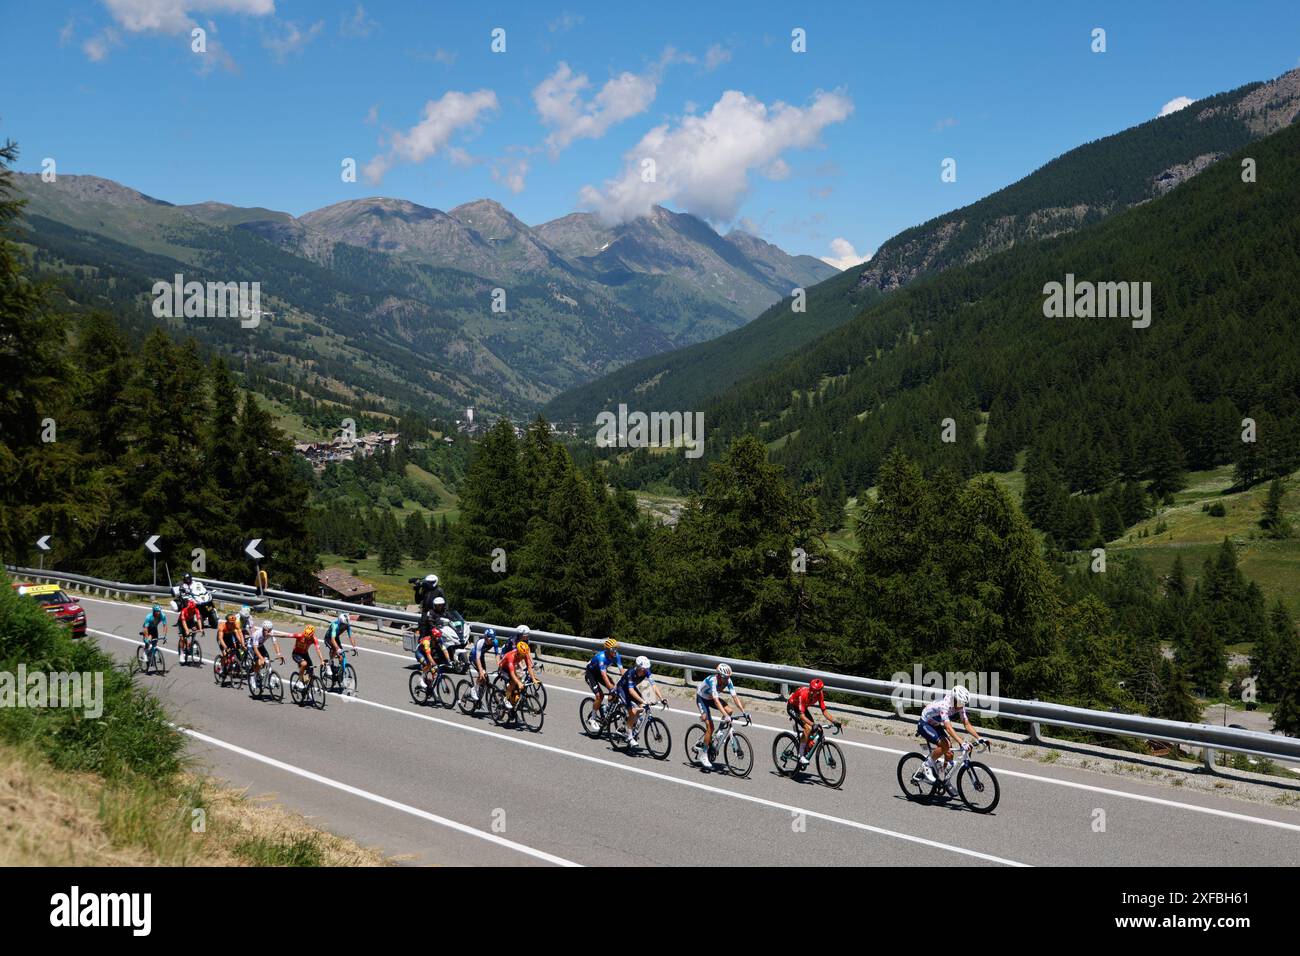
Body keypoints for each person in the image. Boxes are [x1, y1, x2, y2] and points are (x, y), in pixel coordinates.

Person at [918, 685, 981, 793]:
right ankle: (927, 765)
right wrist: (961, 742)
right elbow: (948, 727)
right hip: (924, 723)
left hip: (935, 724)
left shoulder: (959, 705)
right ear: (953, 698)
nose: (961, 706)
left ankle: (946, 781)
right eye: (959, 703)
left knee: (950, 754)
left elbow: (966, 724)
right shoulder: (945, 705)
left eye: (963, 704)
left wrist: (980, 738)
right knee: (945, 745)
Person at [694, 663, 746, 768]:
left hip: (711, 699)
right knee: (710, 727)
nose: (727, 679)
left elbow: (735, 697)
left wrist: (744, 712)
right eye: (725, 677)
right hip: (702, 699)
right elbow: (716, 701)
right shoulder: (713, 681)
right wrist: (725, 715)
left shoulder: (728, 681)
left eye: (728, 677)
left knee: (730, 711)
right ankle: (703, 754)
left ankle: (719, 732)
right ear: (719, 675)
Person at [786, 679, 840, 766]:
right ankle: (800, 756)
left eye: (815, 691)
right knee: (808, 728)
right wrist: (812, 724)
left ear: (819, 691)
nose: (812, 692)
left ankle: (804, 742)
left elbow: (824, 711)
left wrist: (835, 721)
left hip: (803, 708)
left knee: (814, 729)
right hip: (793, 707)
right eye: (811, 689)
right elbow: (802, 716)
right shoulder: (803, 694)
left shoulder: (819, 694)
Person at [615, 656, 659, 748]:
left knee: (642, 708)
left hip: (632, 688)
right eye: (643, 669)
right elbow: (631, 692)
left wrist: (661, 698)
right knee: (633, 711)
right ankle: (630, 737)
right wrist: (643, 700)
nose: (645, 671)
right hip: (622, 689)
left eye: (646, 669)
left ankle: (632, 723)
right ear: (638, 667)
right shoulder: (631, 673)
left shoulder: (646, 671)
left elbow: (653, 685)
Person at [584, 638, 622, 730]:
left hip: (600, 673)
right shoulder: (601, 657)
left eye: (616, 648)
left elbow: (622, 671)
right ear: (608, 650)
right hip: (591, 674)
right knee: (599, 696)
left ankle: (607, 711)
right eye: (614, 649)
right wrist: (611, 689)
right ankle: (592, 718)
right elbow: (604, 676)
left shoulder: (617, 656)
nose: (615, 651)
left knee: (614, 689)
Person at [497, 639, 540, 714]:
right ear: (518, 652)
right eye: (522, 654)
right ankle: (506, 699)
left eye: (524, 654)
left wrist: (533, 679)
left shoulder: (524, 654)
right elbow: (512, 673)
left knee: (519, 680)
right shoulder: (511, 657)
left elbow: (529, 667)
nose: (524, 656)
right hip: (504, 668)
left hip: (513, 667)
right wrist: (519, 683)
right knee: (514, 682)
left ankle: (512, 699)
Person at [248, 619, 283, 688]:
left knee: (268, 662)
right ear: (263, 629)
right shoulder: (257, 634)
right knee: (260, 663)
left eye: (269, 630)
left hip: (260, 646)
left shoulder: (271, 632)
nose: (268, 632)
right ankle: (252, 677)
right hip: (252, 646)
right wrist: (261, 658)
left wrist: (279, 654)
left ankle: (269, 680)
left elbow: (275, 643)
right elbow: (255, 648)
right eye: (266, 630)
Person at [466, 628, 499, 703]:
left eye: (493, 639)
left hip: (481, 657)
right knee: (481, 674)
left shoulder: (495, 642)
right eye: (490, 639)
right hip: (474, 657)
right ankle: (474, 689)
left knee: (486, 678)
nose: (492, 640)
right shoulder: (480, 642)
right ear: (486, 638)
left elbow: (497, 655)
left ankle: (479, 697)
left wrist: (499, 665)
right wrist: (481, 671)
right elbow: (477, 659)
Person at [323, 611, 357, 679]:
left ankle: (340, 671)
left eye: (346, 625)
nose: (345, 626)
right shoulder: (334, 625)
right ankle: (329, 664)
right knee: (335, 649)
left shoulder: (347, 624)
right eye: (343, 625)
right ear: (340, 622)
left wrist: (354, 646)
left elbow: (350, 636)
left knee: (342, 655)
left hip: (336, 637)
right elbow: (332, 639)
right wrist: (337, 649)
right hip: (329, 638)